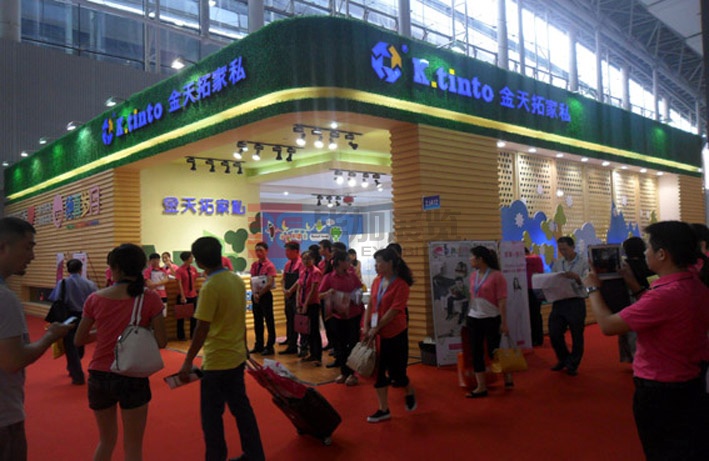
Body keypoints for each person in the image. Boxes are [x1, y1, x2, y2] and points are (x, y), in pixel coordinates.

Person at [583, 221, 709, 460]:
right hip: (690, 380)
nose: (644, 253)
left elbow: (608, 326)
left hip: (660, 389)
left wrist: (592, 290)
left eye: (648, 247)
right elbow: (658, 311)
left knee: (662, 450)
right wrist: (632, 282)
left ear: (662, 254)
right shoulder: (695, 285)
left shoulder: (665, 295)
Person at [74, 243, 167, 461]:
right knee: (133, 445)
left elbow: (79, 339)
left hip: (99, 374)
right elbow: (162, 341)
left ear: (116, 268)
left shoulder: (95, 298)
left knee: (106, 441)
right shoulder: (150, 298)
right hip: (132, 374)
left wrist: (106, 333)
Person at [179, 236, 265, 461]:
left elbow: (201, 328)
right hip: (236, 357)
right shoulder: (236, 280)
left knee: (211, 418)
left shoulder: (210, 287)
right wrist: (244, 346)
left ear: (199, 262)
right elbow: (239, 318)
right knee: (242, 410)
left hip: (216, 362)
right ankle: (255, 454)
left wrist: (188, 360)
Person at [0, 217, 73, 461]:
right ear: (3, 247)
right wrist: (50, 336)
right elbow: (12, 360)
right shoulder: (5, 299)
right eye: (28, 247)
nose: (32, 256)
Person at [363, 248, 417, 423]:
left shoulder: (401, 284)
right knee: (379, 373)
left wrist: (377, 326)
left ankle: (408, 390)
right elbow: (371, 304)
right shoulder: (376, 281)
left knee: (397, 374)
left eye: (379, 262)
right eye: (376, 262)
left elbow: (394, 310)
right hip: (378, 334)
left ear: (390, 263)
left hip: (395, 333)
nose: (376, 266)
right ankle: (383, 409)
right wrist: (366, 326)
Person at [464, 246, 513, 397]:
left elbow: (502, 300)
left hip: (491, 318)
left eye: (472, 257)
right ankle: (481, 386)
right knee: (476, 352)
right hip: (474, 317)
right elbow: (472, 296)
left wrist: (504, 322)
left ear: (480, 259)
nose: (470, 260)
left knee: (494, 351)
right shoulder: (473, 276)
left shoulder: (497, 276)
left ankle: (507, 375)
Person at [48, 258, 98, 385]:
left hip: (68, 316)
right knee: (80, 341)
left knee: (70, 345)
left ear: (68, 270)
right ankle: (75, 365)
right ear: (81, 269)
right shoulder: (90, 284)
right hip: (85, 316)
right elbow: (95, 299)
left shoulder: (63, 283)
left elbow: (55, 298)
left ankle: (76, 374)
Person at [319, 251, 364, 385]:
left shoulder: (352, 276)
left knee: (353, 344)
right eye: (347, 260)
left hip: (353, 314)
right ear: (340, 262)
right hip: (337, 315)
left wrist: (356, 295)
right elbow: (319, 295)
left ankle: (353, 374)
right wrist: (329, 293)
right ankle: (344, 372)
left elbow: (359, 288)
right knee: (340, 345)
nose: (350, 263)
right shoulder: (329, 277)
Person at [549, 236, 589, 376]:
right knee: (554, 333)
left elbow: (588, 282)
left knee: (576, 335)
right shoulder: (558, 263)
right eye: (560, 250)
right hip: (559, 301)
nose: (563, 252)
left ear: (572, 247)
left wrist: (577, 278)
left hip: (575, 301)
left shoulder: (584, 263)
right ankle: (564, 359)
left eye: (565, 249)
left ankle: (573, 363)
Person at [616, 237, 654, 363]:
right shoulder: (648, 263)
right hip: (649, 297)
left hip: (628, 298)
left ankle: (632, 357)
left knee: (628, 330)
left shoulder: (624, 265)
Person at [249, 242, 277, 356]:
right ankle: (259, 345)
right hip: (256, 296)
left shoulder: (269, 265)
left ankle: (270, 346)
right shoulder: (254, 265)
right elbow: (252, 280)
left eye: (261, 250)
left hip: (265, 296)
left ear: (266, 251)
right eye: (257, 250)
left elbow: (270, 283)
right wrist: (254, 293)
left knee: (269, 321)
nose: (258, 253)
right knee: (257, 321)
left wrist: (259, 294)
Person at [296, 249, 323, 366]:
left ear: (313, 260)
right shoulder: (303, 271)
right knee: (307, 330)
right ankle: (311, 353)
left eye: (309, 258)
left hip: (312, 304)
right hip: (303, 304)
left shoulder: (316, 272)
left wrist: (306, 304)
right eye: (304, 259)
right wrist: (298, 304)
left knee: (314, 330)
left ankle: (318, 356)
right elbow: (299, 288)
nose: (306, 261)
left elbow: (313, 290)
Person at [280, 241, 302, 355]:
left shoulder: (301, 263)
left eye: (288, 250)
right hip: (288, 296)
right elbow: (283, 279)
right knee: (289, 319)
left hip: (296, 296)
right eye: (286, 250)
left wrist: (290, 290)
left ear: (296, 251)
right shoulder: (287, 264)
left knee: (297, 321)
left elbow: (300, 280)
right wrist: (284, 289)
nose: (286, 253)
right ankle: (290, 341)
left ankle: (297, 345)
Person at [175, 251, 199, 341]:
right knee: (181, 317)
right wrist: (182, 296)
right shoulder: (180, 270)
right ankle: (181, 336)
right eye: (191, 257)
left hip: (193, 295)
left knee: (194, 317)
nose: (192, 259)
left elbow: (195, 279)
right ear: (187, 259)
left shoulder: (193, 269)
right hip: (183, 295)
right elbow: (179, 283)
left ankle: (193, 335)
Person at [525, 247, 545, 346]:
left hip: (530, 290)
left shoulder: (531, 259)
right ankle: (538, 338)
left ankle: (534, 338)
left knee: (532, 315)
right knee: (536, 314)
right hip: (537, 289)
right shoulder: (537, 259)